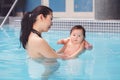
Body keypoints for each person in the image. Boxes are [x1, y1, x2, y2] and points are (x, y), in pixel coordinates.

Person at [20, 5, 61, 80]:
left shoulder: (31, 36)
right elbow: (56, 57)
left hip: (39, 75)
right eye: (50, 19)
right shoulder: (38, 41)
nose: (52, 23)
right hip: (42, 77)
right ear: (41, 17)